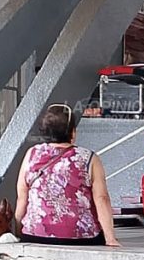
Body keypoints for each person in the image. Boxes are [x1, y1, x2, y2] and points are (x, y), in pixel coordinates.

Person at [14, 104, 120, 246]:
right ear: (73, 132)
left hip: (35, 234)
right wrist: (110, 238)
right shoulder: (88, 158)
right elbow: (102, 198)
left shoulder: (31, 154)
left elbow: (22, 198)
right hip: (81, 236)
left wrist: (18, 230)